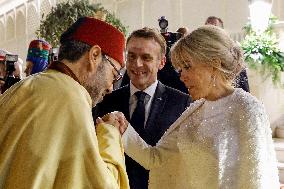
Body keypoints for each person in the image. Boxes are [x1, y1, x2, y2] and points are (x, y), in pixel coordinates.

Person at [101, 25, 280, 188]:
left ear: (214, 64)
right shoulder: (194, 111)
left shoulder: (248, 109)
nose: (182, 76)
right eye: (180, 69)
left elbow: (258, 180)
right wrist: (124, 129)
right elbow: (155, 159)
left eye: (187, 67)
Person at [0, 17, 129, 189]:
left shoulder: (19, 88)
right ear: (95, 55)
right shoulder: (72, 100)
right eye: (114, 74)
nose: (111, 87)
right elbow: (100, 185)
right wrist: (110, 134)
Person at [93, 27, 191, 189]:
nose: (137, 64)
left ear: (161, 62)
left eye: (146, 58)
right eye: (131, 56)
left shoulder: (181, 104)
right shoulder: (106, 101)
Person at [205, 16, 250, 92]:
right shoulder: (200, 53)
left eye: (215, 27)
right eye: (208, 27)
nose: (211, 30)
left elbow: (243, 87)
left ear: (222, 31)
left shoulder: (233, 53)